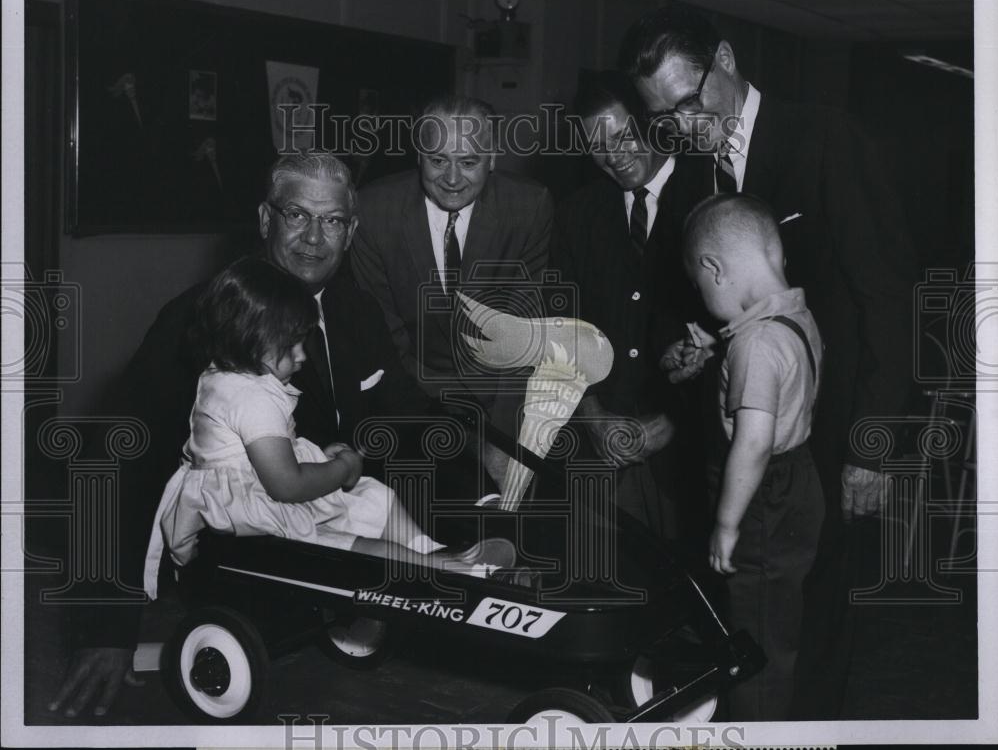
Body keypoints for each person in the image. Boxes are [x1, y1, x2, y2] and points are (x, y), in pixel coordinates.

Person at [48, 153, 438, 718]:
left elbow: (404, 415)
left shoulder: (356, 310)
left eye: (332, 221)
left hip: (332, 567)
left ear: (351, 232)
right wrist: (104, 628)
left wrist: (483, 466)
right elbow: (115, 456)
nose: (313, 238)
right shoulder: (201, 318)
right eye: (297, 214)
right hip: (235, 576)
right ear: (264, 219)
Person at [619, 4, 916, 718]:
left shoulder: (825, 140)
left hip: (830, 439)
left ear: (725, 61)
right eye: (666, 119)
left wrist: (873, 446)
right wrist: (680, 350)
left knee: (815, 628)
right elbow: (676, 299)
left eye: (690, 104)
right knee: (754, 623)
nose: (684, 128)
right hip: (739, 451)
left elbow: (888, 297)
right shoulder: (693, 170)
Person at [143, 257, 512, 596]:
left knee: (375, 497)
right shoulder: (253, 398)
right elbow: (286, 484)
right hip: (247, 514)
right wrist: (341, 469)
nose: (302, 356)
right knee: (350, 547)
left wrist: (321, 457)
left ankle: (430, 551)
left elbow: (263, 449)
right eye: (291, 347)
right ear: (251, 341)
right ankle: (443, 568)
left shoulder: (227, 373)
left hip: (255, 488)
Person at [683, 193, 824, 721]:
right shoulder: (796, 316)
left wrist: (725, 522)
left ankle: (757, 726)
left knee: (755, 636)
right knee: (779, 624)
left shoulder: (756, 345)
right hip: (799, 479)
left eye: (700, 287)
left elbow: (754, 440)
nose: (703, 299)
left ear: (713, 270)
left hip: (761, 495)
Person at [548, 71, 706, 541]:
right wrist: (592, 416)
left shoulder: (710, 194)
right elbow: (561, 326)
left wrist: (674, 421)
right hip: (598, 447)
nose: (613, 153)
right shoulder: (578, 214)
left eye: (624, 134)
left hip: (689, 451)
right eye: (597, 144)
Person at [351, 95, 554, 453]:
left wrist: (505, 442)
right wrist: (438, 424)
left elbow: (524, 330)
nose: (452, 178)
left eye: (469, 161)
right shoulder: (373, 210)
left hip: (503, 401)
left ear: (492, 160)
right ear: (419, 155)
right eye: (438, 159)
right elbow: (385, 339)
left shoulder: (529, 207)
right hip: (413, 402)